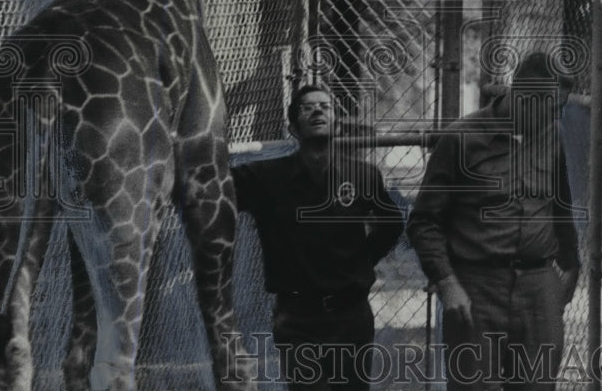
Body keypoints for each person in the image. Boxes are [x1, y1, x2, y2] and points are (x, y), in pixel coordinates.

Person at [407, 52, 581, 390]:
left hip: (538, 288)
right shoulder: (462, 140)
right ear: (525, 98)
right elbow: (424, 222)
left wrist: (572, 266)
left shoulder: (553, 136)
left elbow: (561, 205)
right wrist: (446, 282)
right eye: (552, 106)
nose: (558, 115)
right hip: (477, 290)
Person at [232, 84, 404, 390]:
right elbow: (214, 188)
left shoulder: (363, 175)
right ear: (292, 126)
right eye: (306, 107)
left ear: (336, 120)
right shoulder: (265, 178)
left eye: (325, 106)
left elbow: (391, 223)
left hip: (350, 313)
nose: (317, 110)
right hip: (297, 316)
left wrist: (361, 261)